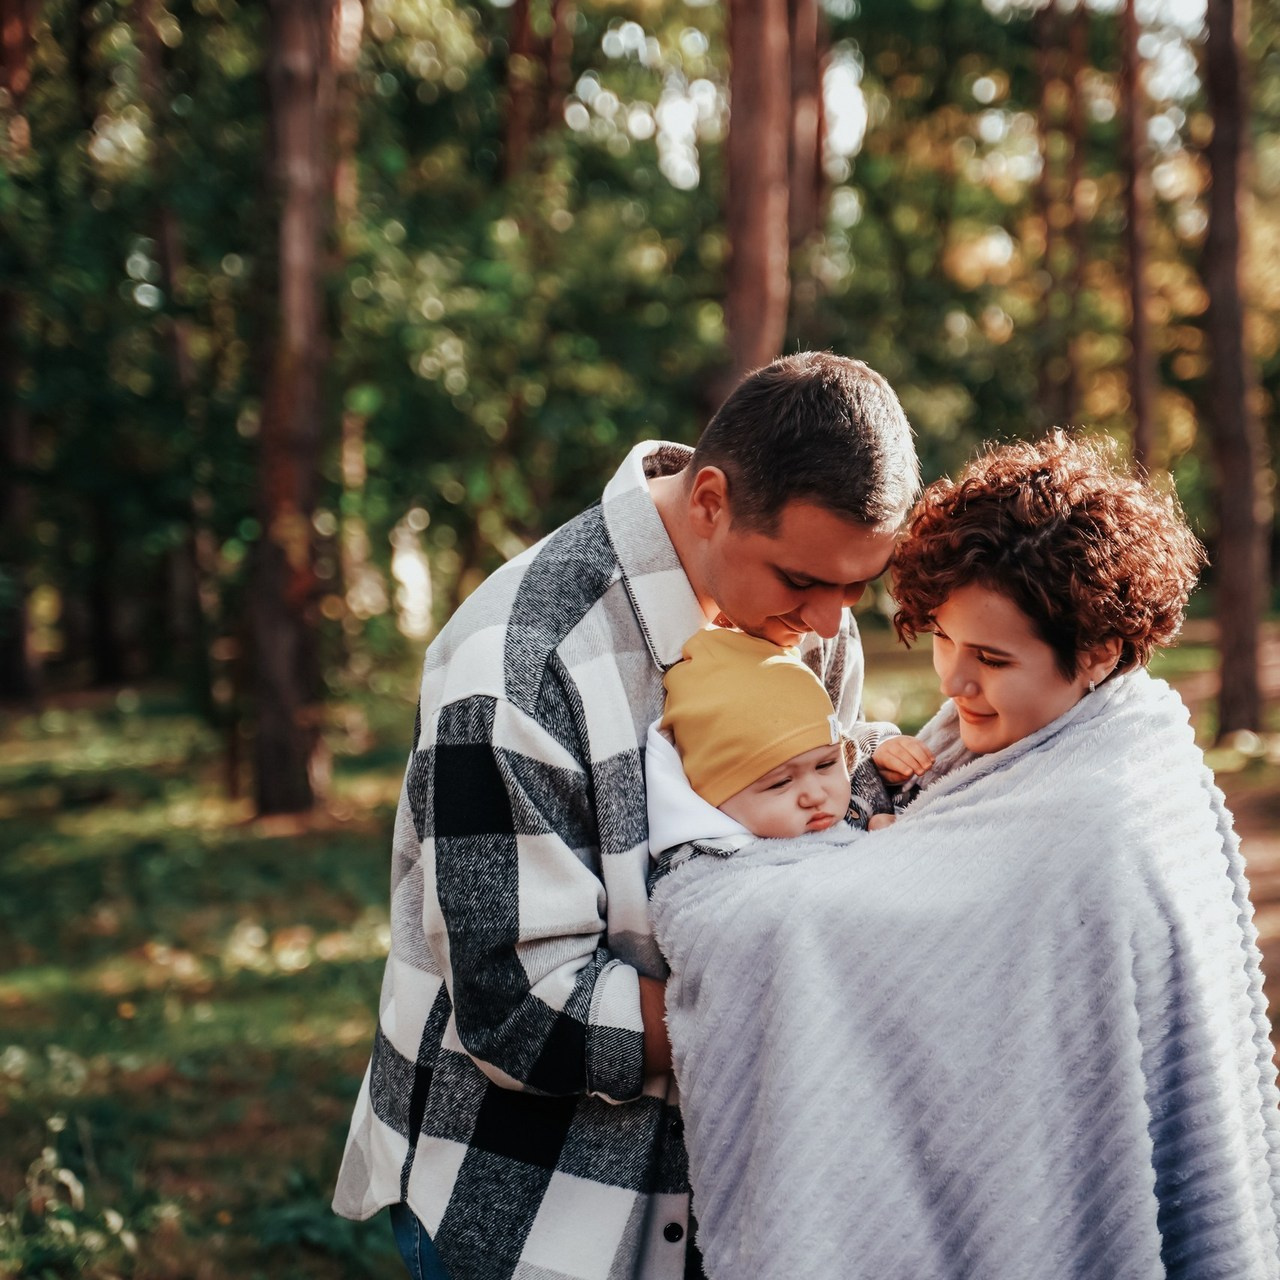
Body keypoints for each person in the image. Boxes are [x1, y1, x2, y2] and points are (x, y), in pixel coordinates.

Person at [331, 351, 920, 1280]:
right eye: (805, 582)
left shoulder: (808, 616)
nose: (828, 622)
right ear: (712, 501)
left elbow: (809, 847)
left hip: (730, 1200)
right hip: (536, 1210)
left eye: (858, 587)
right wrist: (792, 1001)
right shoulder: (519, 662)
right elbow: (522, 1014)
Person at [651, 432, 1280, 1280]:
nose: (953, 683)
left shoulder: (1101, 813)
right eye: (945, 639)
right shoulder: (993, 735)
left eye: (992, 658)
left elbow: (871, 938)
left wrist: (721, 899)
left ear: (1097, 652)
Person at [644, 627, 933, 881]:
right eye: (780, 783)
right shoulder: (706, 867)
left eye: (825, 765)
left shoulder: (858, 789)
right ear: (713, 800)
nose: (815, 795)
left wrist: (886, 758)